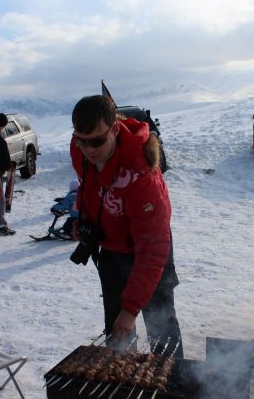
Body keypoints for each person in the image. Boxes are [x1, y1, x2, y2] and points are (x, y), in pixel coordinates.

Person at [69, 95, 183, 357]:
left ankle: (173, 382)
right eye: (80, 141)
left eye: (97, 141)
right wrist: (85, 219)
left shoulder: (141, 177)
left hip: (151, 249)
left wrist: (131, 309)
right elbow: (89, 185)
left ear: (115, 128)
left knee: (161, 328)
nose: (88, 149)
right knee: (117, 331)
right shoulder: (81, 152)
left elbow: (153, 251)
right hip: (113, 248)